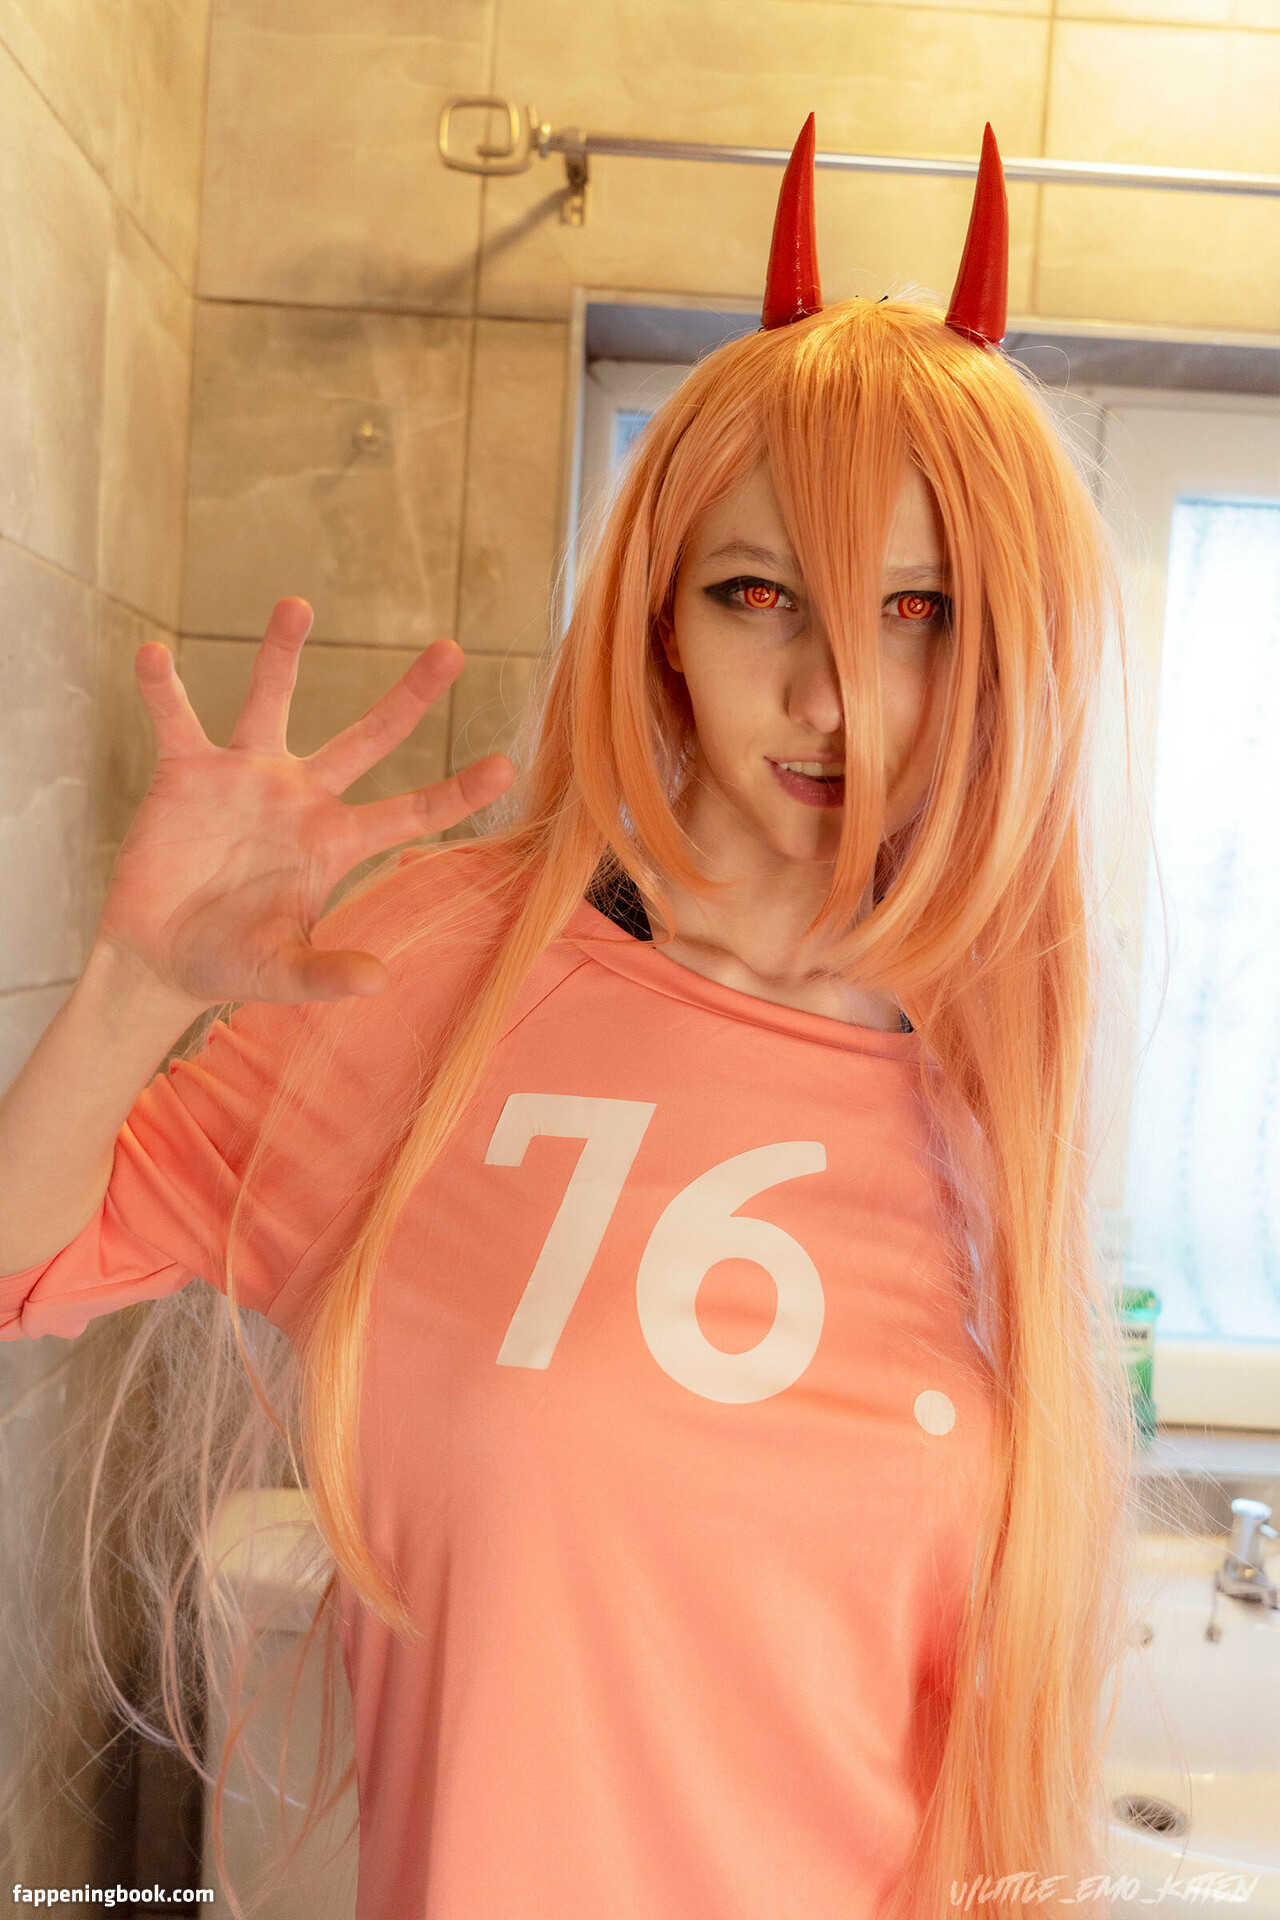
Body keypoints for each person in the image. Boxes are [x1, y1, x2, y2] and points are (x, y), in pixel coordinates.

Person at [0, 116, 1138, 1920]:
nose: (834, 694)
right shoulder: (450, 974)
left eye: (918, 611)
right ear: (661, 619)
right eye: (758, 594)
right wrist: (135, 988)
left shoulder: (1009, 1082)